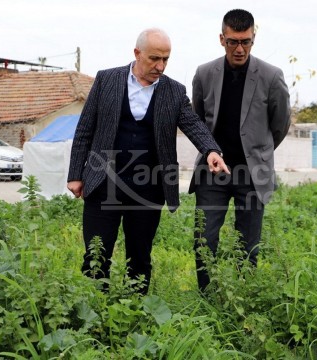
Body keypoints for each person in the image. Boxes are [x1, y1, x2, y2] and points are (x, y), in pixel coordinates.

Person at [67, 28, 229, 295]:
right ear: (137, 53)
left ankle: (133, 313)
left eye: (166, 59)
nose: (160, 66)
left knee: (139, 256)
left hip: (147, 187)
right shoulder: (106, 80)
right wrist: (76, 174)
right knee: (96, 254)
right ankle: (93, 314)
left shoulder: (174, 91)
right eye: (154, 58)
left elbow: (193, 124)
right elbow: (85, 128)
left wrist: (211, 150)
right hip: (102, 182)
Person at [189, 9, 292, 292]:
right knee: (204, 239)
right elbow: (198, 121)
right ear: (222, 39)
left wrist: (258, 153)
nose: (239, 48)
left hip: (252, 173)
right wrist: (210, 151)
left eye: (245, 41)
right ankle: (208, 298)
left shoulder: (271, 77)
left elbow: (280, 124)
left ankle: (243, 299)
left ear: (253, 39)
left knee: (248, 245)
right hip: (213, 172)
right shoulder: (204, 73)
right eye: (233, 41)